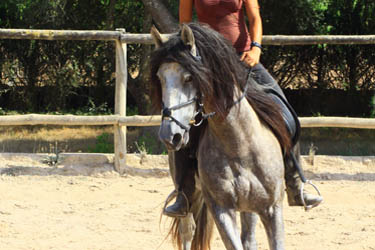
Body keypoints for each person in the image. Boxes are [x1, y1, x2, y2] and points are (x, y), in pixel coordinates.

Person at [163, 0, 323, 217]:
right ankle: (183, 194)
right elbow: (184, 25)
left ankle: (295, 184)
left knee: (285, 113)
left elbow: (255, 18)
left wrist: (256, 49)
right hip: (206, 63)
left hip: (243, 58)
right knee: (184, 122)